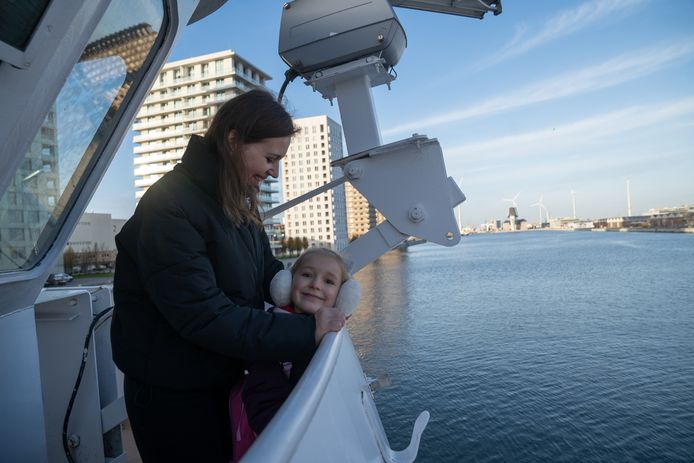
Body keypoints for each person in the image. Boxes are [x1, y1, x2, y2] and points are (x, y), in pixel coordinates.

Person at [110, 90, 346, 463]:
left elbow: (269, 272)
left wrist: (325, 288)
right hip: (175, 397)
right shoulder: (169, 206)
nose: (274, 172)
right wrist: (308, 331)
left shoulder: (238, 201)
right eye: (270, 158)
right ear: (233, 139)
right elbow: (204, 315)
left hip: (222, 380)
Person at [229, 248, 351, 461]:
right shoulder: (271, 330)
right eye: (306, 275)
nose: (315, 284)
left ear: (342, 297)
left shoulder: (330, 334)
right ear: (287, 282)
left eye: (329, 281)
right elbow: (262, 395)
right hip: (267, 436)